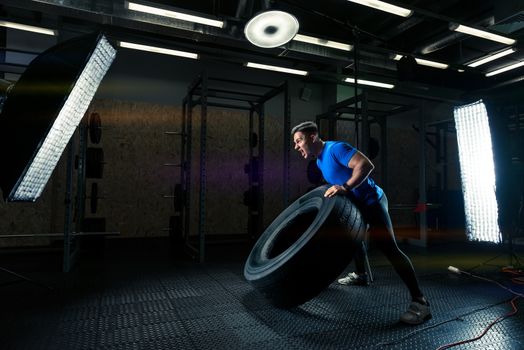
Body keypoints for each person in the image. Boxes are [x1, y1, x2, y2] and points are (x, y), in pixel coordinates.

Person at [291, 121, 431, 325]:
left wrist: (345, 188)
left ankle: (421, 302)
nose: (296, 146)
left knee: (389, 249)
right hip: (356, 205)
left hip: (372, 201)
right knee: (351, 238)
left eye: (299, 141)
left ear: (312, 137)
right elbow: (337, 181)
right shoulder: (320, 162)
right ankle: (361, 274)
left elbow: (365, 165)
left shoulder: (335, 149)